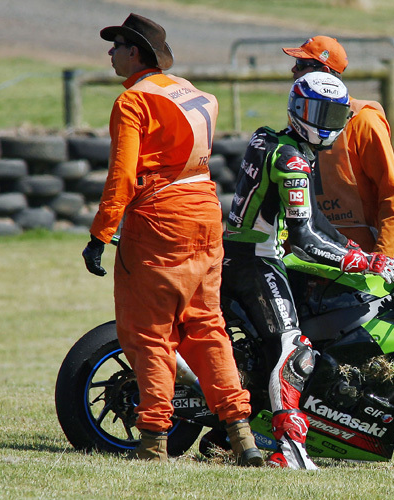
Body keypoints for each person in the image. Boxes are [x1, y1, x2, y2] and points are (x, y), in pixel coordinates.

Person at [80, 13, 262, 466]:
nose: (110, 53)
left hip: (161, 220)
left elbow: (121, 176)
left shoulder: (132, 102)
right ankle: (242, 437)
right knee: (207, 327)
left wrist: (100, 233)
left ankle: (154, 440)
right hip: (205, 212)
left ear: (134, 52)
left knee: (149, 333)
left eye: (116, 45)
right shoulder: (196, 93)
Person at [219, 72, 394, 469]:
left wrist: (352, 248)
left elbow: (315, 220)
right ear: (299, 111)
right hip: (256, 259)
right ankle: (289, 447)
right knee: (295, 350)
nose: (330, 124)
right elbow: (304, 238)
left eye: (336, 115)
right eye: (320, 113)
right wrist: (358, 260)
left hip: (238, 250)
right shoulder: (292, 160)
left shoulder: (272, 139)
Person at [282, 36, 394, 258]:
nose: (293, 70)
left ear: (325, 73)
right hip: (309, 256)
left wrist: (383, 257)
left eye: (301, 65)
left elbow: (391, 195)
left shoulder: (364, 122)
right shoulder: (298, 118)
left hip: (362, 260)